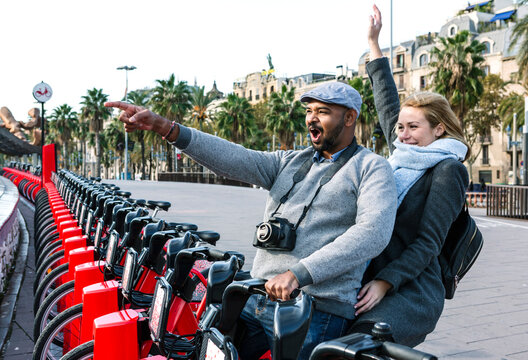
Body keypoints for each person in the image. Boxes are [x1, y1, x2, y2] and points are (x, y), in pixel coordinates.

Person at [106, 81, 397, 359]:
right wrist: (164, 127)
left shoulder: (371, 167)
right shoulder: (291, 161)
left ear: (349, 118)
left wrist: (299, 273)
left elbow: (373, 232)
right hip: (256, 297)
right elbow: (234, 158)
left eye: (322, 112)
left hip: (314, 309)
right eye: (309, 111)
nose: (312, 119)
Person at [348, 5, 470, 347]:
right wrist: (373, 43)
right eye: (400, 127)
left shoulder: (448, 169)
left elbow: (428, 244)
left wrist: (386, 282)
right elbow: (387, 98)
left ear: (439, 129)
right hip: (371, 275)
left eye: (413, 127)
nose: (402, 134)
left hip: (412, 289)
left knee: (359, 344)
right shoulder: (403, 153)